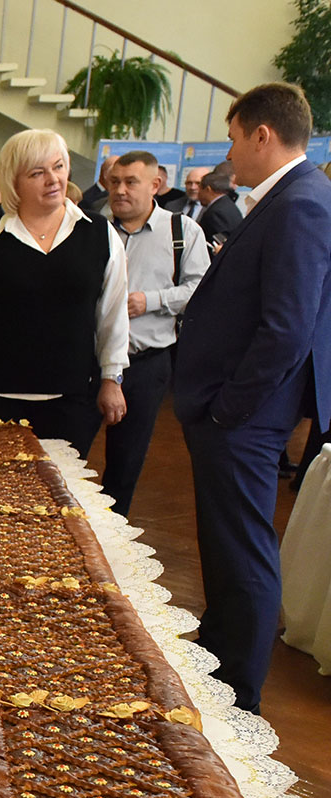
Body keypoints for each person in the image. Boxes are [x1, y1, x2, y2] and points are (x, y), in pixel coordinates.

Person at [172, 81, 331, 713]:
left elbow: (287, 329)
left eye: (234, 138)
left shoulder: (300, 203)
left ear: (263, 135)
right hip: (239, 411)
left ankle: (236, 695)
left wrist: (229, 408)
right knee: (226, 543)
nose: (229, 153)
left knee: (242, 550)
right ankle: (218, 662)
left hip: (245, 415)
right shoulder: (291, 197)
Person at [0, 128, 129, 457]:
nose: (53, 179)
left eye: (59, 166)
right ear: (14, 182)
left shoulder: (99, 234)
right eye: (37, 173)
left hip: (71, 401)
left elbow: (112, 314)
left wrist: (112, 378)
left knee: (61, 488)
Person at [99, 150, 210, 517]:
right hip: (91, 362)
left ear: (156, 185)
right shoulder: (94, 228)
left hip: (146, 363)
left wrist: (152, 300)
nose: (120, 190)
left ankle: (111, 536)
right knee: (69, 450)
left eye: (131, 182)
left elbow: (201, 289)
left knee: (125, 462)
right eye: (115, 182)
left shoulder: (182, 232)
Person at [195, 168, 245, 248]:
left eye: (199, 189)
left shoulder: (215, 212)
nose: (198, 194)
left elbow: (220, 241)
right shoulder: (227, 204)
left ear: (208, 189)